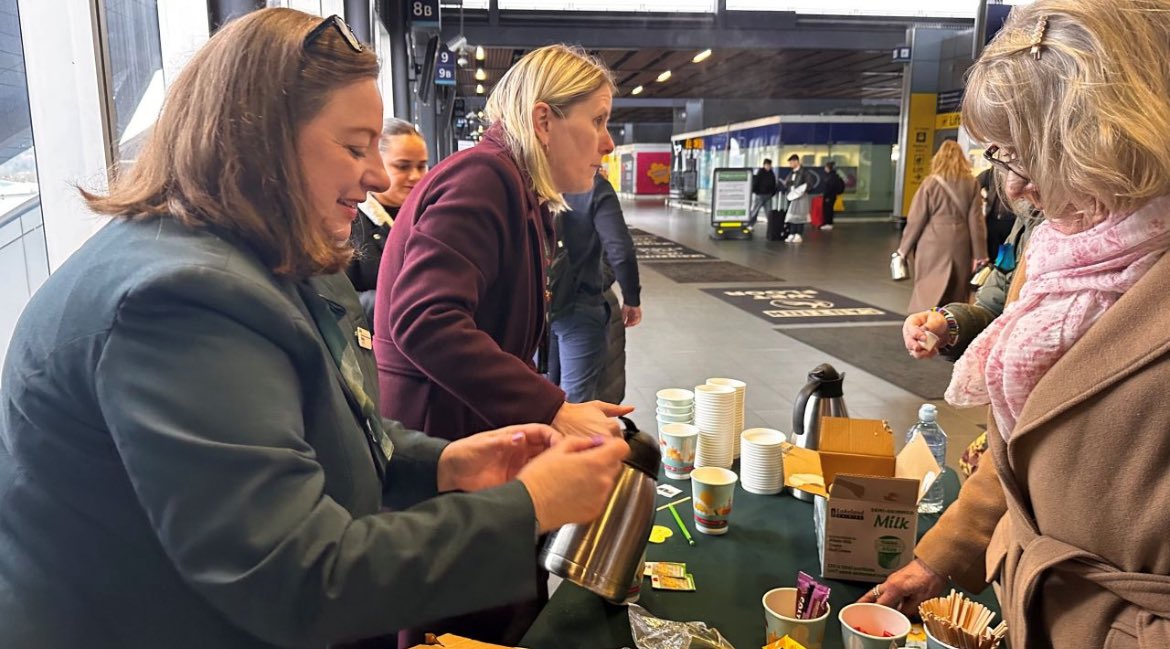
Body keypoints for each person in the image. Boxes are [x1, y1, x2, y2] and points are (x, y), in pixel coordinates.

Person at [0, 11, 631, 649]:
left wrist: (445, 463)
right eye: (356, 147)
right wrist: (528, 507)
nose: (382, 177)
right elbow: (294, 577)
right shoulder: (182, 302)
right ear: (258, 140)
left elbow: (327, 428)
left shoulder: (270, 258)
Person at [865, 3, 1170, 646]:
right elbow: (1023, 450)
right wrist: (940, 559)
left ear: (1113, 137)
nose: (1016, 191)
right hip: (1032, 604)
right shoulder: (1063, 250)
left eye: (1025, 154)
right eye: (1001, 157)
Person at [373, 44, 631, 645]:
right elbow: (424, 318)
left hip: (465, 431)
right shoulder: (482, 178)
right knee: (460, 620)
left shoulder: (514, 188)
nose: (608, 142)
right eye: (596, 120)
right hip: (444, 437)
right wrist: (553, 408)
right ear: (544, 120)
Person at [548, 169, 642, 403]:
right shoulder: (593, 185)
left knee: (545, 394)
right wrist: (632, 299)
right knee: (576, 401)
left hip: (540, 305)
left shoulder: (536, 178)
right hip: (580, 304)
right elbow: (621, 250)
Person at [345, 118, 428, 328]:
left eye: (422, 166)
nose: (415, 176)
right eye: (403, 166)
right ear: (375, 163)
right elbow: (337, 299)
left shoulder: (430, 218)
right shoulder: (349, 224)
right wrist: (389, 303)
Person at [896, 140, 988, 313]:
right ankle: (951, 324)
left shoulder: (930, 183)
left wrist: (903, 250)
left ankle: (924, 321)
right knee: (957, 289)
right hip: (961, 243)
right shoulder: (971, 183)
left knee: (927, 286)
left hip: (932, 243)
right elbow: (976, 221)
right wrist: (980, 254)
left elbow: (916, 220)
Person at [977, 167, 1016, 263]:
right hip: (992, 221)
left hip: (1011, 222)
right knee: (991, 255)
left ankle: (1002, 273)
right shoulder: (990, 174)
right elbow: (973, 186)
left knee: (1005, 259)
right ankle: (991, 273)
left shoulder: (1015, 173)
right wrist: (981, 198)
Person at [782, 154, 816, 243]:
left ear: (796, 162)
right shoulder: (791, 173)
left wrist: (805, 190)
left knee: (800, 216)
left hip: (801, 197)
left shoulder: (804, 172)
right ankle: (792, 233)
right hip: (792, 196)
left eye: (791, 162)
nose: (790, 164)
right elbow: (787, 183)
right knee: (792, 215)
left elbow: (810, 183)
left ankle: (798, 234)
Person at [749, 158, 777, 226]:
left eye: (769, 165)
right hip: (760, 195)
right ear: (764, 165)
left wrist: (772, 193)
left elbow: (774, 184)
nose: (768, 167)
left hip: (768, 195)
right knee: (755, 211)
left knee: (769, 212)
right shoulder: (760, 172)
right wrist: (756, 192)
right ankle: (750, 225)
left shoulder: (771, 173)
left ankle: (771, 227)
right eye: (767, 165)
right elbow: (756, 183)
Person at [820, 160, 846, 230]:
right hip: (832, 195)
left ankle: (828, 223)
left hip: (829, 196)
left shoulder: (831, 177)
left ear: (828, 168)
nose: (825, 168)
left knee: (828, 210)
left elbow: (830, 187)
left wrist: (826, 194)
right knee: (829, 209)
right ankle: (828, 223)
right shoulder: (834, 175)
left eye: (826, 167)